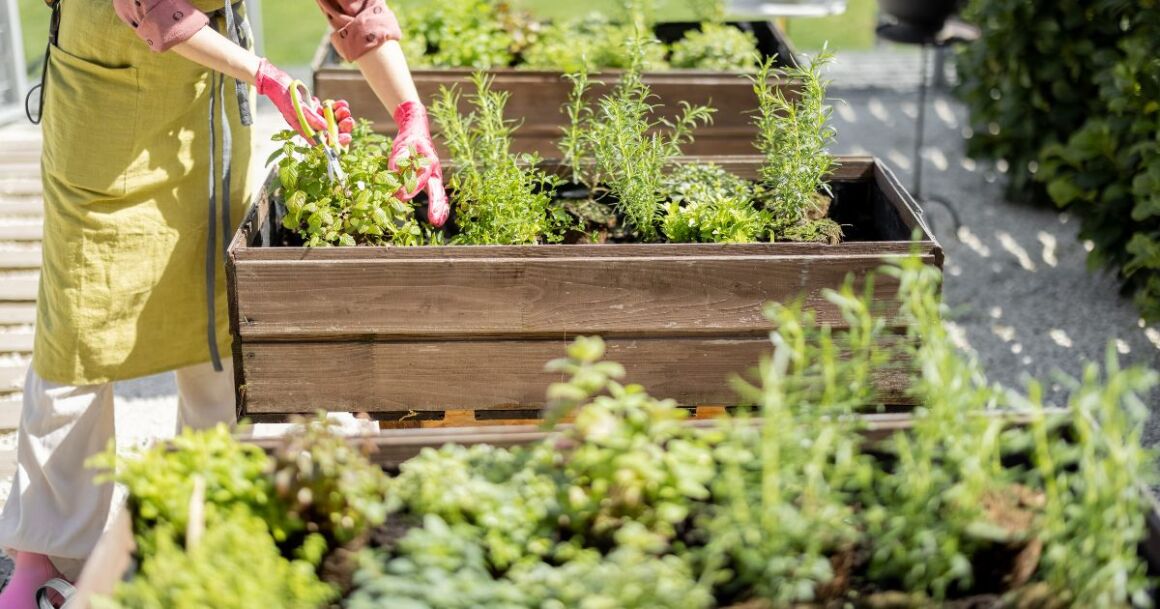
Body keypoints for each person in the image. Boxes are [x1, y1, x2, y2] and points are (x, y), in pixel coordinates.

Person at [0, 1, 446, 606]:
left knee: (215, 306)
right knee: (80, 322)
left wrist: (410, 117)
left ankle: (200, 510)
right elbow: (160, 11)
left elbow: (357, 10)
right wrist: (267, 77)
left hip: (207, 98)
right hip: (104, 91)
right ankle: (46, 552)